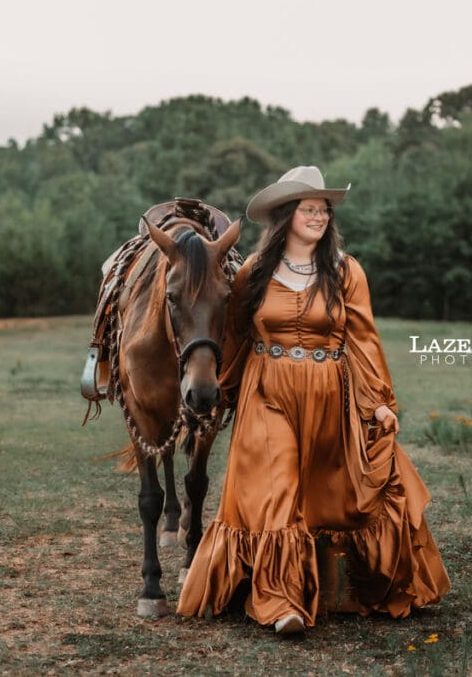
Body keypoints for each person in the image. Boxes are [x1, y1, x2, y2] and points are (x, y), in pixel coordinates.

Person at [176, 166, 450, 633]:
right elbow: (237, 336)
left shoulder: (346, 271)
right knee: (278, 485)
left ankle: (331, 585)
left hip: (329, 393)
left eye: (324, 210)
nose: (319, 216)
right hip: (269, 390)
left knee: (330, 494)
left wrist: (379, 401)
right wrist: (221, 392)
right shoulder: (253, 273)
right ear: (286, 215)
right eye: (309, 209)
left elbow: (362, 340)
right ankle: (280, 603)